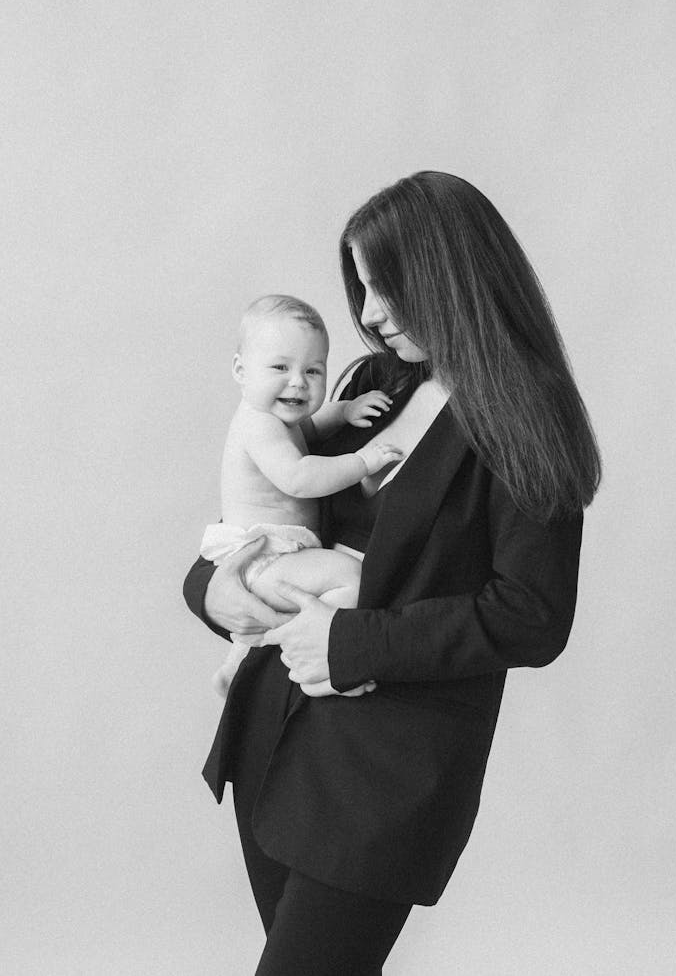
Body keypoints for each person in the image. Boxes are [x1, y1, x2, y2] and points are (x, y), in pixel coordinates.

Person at [184, 171, 601, 976]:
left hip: (388, 771)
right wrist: (214, 589)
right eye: (362, 288)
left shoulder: (524, 408)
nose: (369, 314)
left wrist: (352, 645)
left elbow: (532, 613)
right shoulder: (374, 387)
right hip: (274, 733)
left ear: (447, 275)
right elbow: (266, 509)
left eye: (386, 287)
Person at [200, 293, 400, 695]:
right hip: (266, 558)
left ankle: (237, 662)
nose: (299, 382)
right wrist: (362, 461)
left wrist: (342, 412)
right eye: (280, 367)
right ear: (241, 370)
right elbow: (299, 477)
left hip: (276, 555)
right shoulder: (258, 426)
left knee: (336, 581)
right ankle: (314, 661)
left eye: (314, 370)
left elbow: (310, 431)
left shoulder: (279, 419)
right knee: (351, 579)